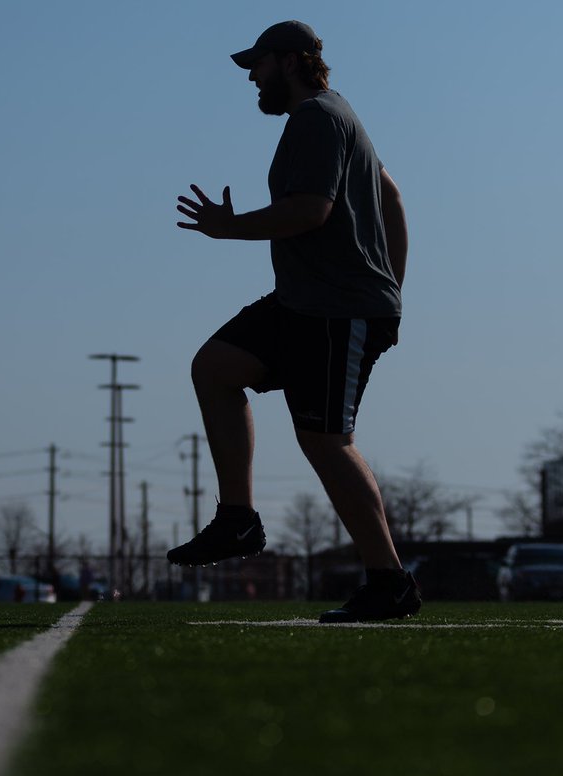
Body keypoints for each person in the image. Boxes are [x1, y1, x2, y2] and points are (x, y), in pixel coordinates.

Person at [166, 20, 420, 623]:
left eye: (256, 65)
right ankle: (238, 521)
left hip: (337, 309)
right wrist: (391, 285)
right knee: (215, 368)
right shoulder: (337, 117)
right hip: (307, 302)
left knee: (327, 443)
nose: (251, 78)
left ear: (288, 62)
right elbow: (390, 192)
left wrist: (228, 228)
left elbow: (310, 212)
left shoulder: (317, 118)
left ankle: (388, 582)